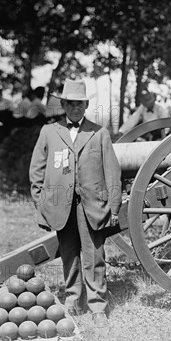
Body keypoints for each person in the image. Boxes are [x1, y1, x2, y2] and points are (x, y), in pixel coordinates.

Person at [29, 78, 122, 327]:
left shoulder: (99, 133)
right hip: (62, 206)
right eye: (70, 104)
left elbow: (112, 172)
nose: (75, 108)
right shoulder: (50, 131)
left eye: (79, 104)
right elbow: (36, 172)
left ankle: (98, 307)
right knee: (69, 254)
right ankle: (72, 299)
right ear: (64, 105)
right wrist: (41, 204)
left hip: (92, 206)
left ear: (86, 104)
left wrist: (114, 206)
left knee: (94, 255)